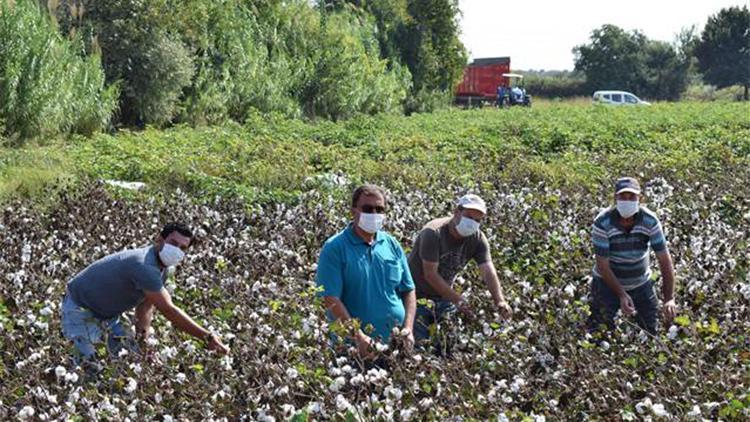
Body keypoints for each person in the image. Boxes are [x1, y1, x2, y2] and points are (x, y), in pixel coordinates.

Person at [61, 223, 229, 366]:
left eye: (183, 248)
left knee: (130, 360)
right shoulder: (144, 265)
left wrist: (143, 344)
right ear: (159, 239)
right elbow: (168, 310)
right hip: (80, 310)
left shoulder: (162, 269)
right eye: (173, 243)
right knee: (88, 369)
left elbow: (146, 306)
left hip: (108, 316)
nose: (177, 250)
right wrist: (207, 337)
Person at [316, 184, 416, 359]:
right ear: (353, 211)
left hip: (395, 345)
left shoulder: (391, 244)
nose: (374, 214)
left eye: (380, 209)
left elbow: (408, 289)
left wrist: (408, 328)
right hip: (354, 350)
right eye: (368, 209)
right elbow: (330, 298)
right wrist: (359, 337)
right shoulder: (335, 248)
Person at [408, 194, 512, 350]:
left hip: (443, 297)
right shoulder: (433, 232)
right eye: (469, 217)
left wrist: (500, 300)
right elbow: (430, 274)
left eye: (477, 220)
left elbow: (488, 270)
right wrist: (458, 301)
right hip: (416, 296)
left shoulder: (477, 238)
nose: (472, 223)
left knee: (448, 345)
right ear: (456, 211)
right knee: (420, 346)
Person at [588, 177, 677, 335]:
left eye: (632, 197)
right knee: (600, 332)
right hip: (606, 285)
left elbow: (664, 259)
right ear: (615, 198)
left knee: (650, 332)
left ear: (640, 199)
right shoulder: (602, 222)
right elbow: (602, 265)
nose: (627, 200)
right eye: (623, 197)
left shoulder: (650, 221)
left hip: (641, 284)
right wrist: (622, 294)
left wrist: (669, 298)